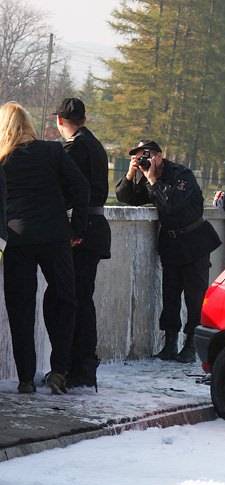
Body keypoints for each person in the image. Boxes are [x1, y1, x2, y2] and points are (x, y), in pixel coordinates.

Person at [0, 102, 89, 394]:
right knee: (64, 300)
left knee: (20, 308)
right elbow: (81, 189)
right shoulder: (52, 152)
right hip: (54, 237)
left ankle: (26, 378)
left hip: (17, 240)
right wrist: (76, 228)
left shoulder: (3, 160)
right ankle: (59, 371)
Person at [116, 139, 221, 363]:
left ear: (160, 156)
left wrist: (153, 179)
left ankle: (192, 344)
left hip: (194, 241)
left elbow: (172, 204)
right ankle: (169, 343)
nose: (145, 159)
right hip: (171, 244)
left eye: (148, 155)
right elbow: (126, 198)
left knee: (194, 297)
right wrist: (131, 174)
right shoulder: (147, 177)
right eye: (140, 156)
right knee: (170, 295)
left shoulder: (181, 175)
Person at [54, 97, 111, 389]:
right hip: (95, 226)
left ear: (60, 121)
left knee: (74, 300)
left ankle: (78, 366)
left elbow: (72, 190)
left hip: (83, 228)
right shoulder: (96, 145)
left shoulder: (74, 148)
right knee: (83, 298)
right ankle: (85, 366)